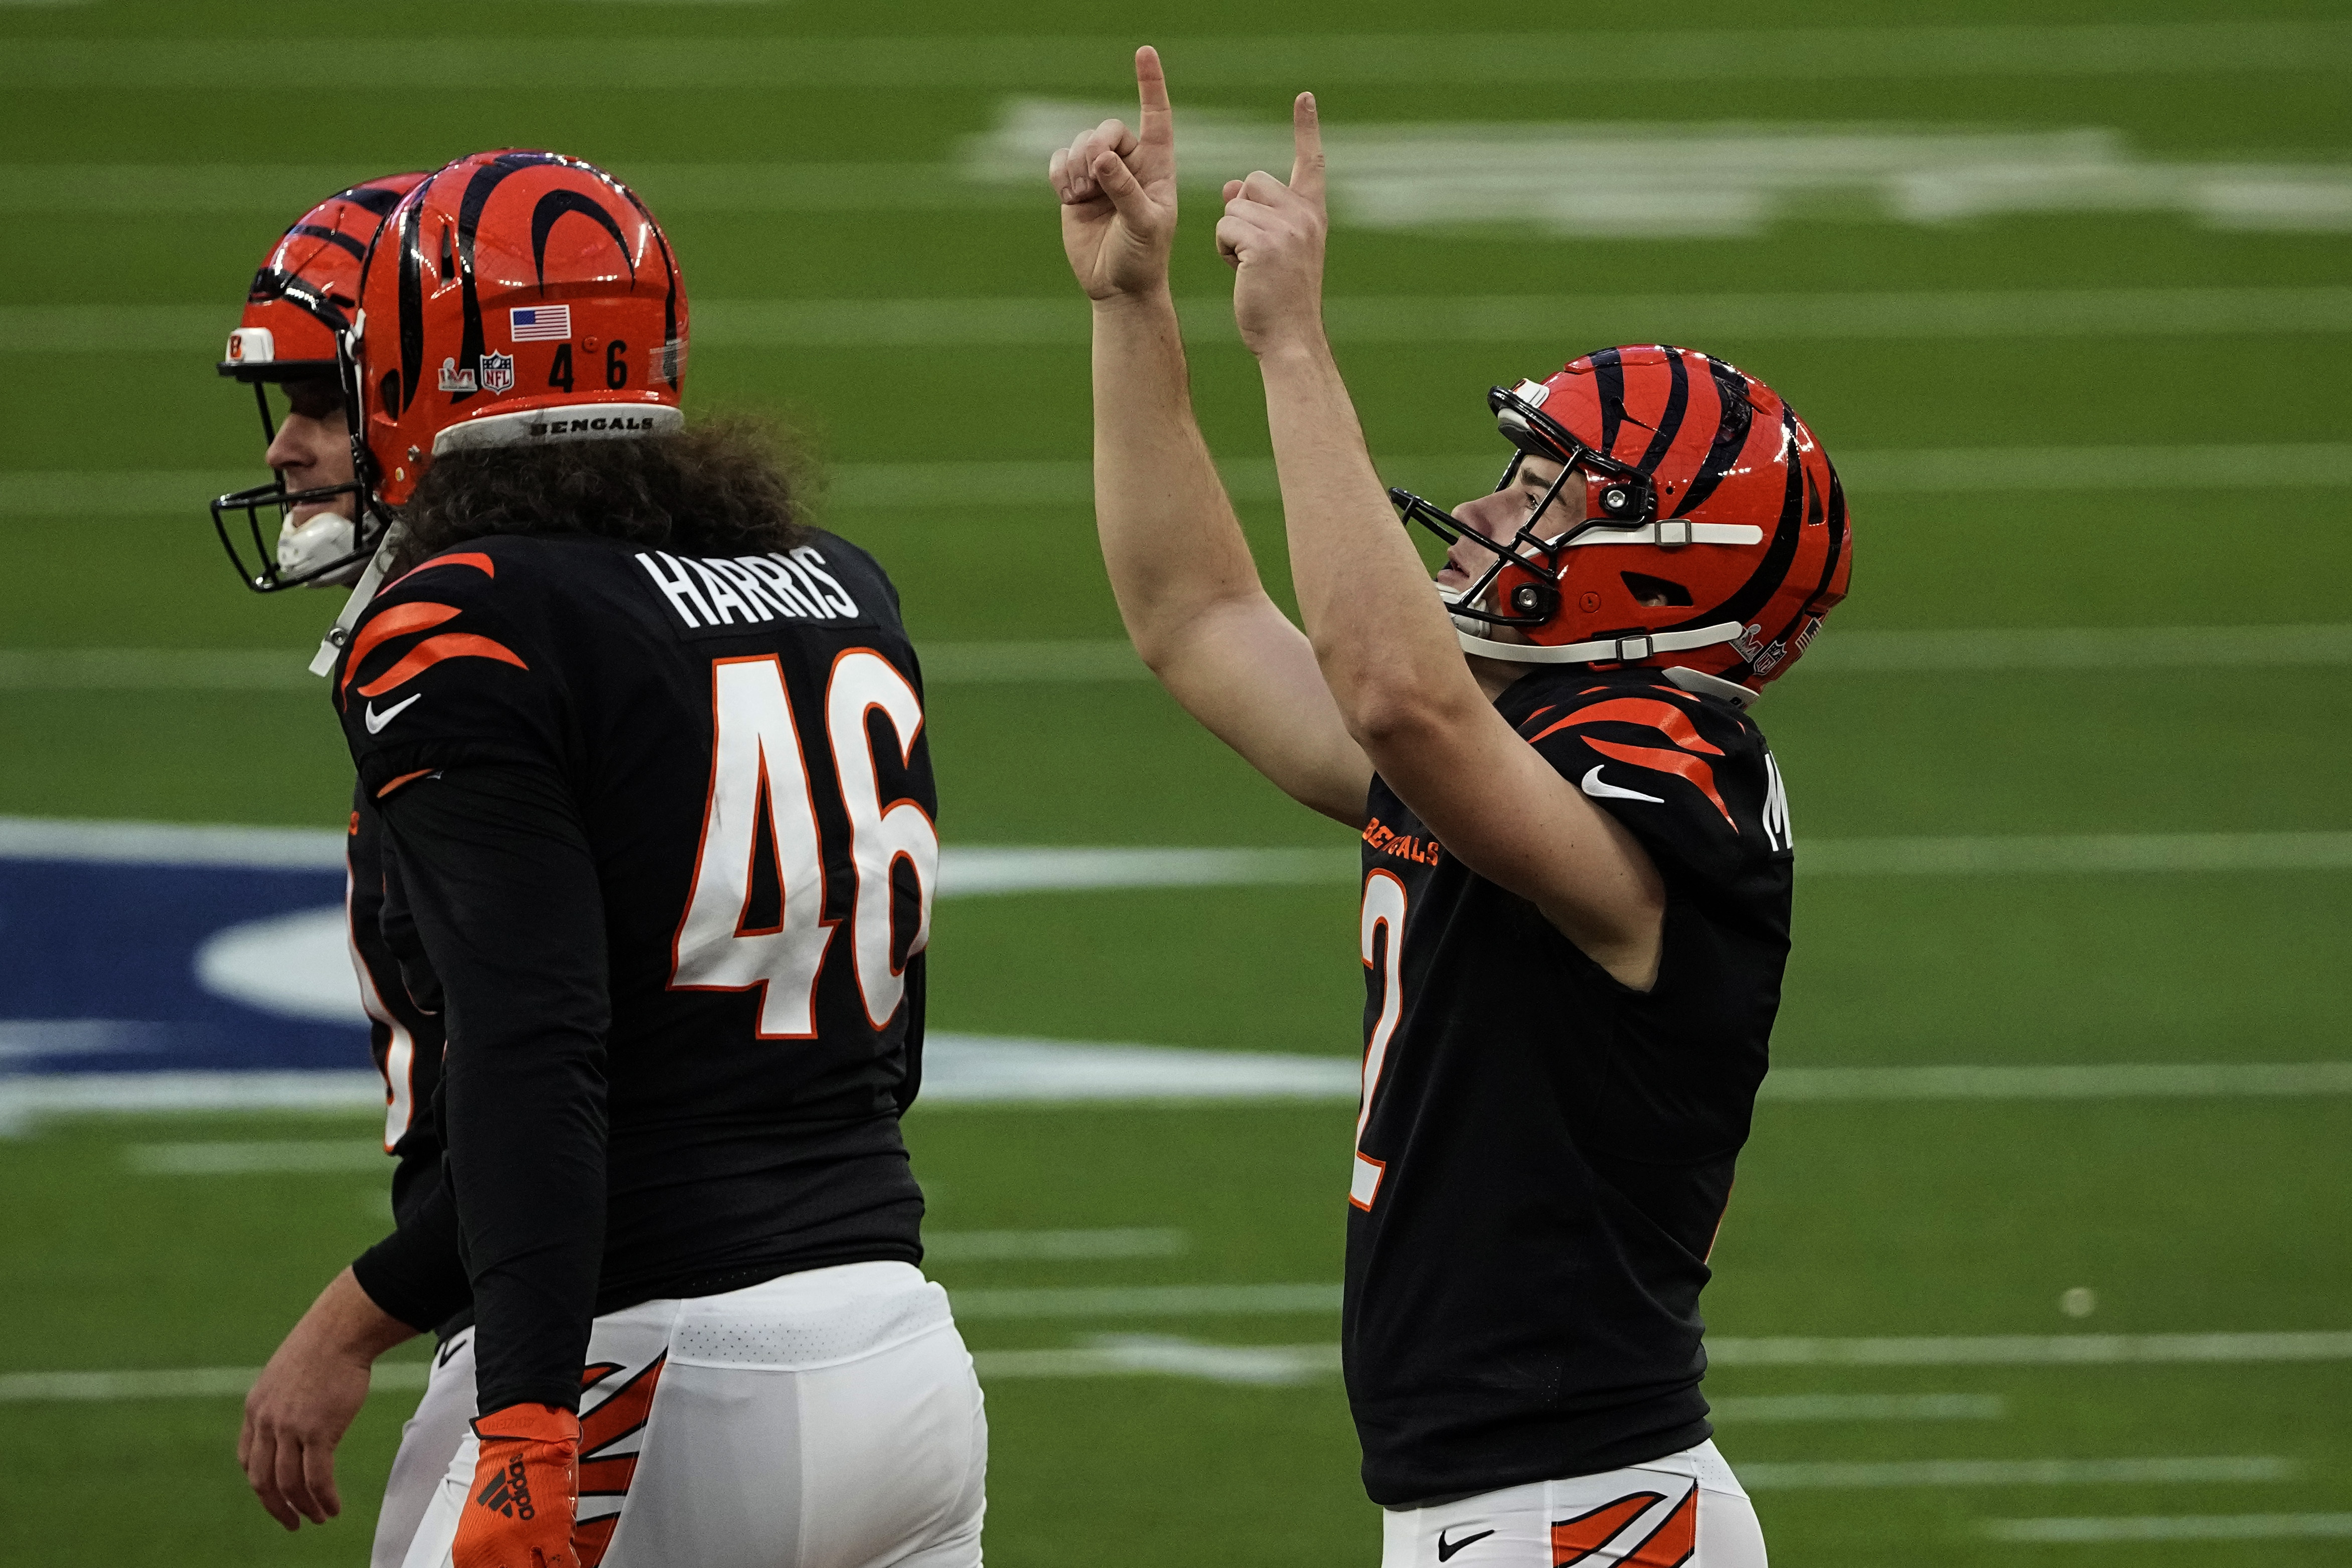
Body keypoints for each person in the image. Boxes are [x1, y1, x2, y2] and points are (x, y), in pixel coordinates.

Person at [1051, 51, 1851, 1566]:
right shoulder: (1538, 734)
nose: (1488, 509)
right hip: (1521, 1505)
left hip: (1581, 1514)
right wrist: (1130, 311)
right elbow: (1197, 617)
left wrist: (1292, 344)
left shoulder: (1674, 782)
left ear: (1665, 563)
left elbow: (1392, 696)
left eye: (1545, 485)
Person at [257, 148, 988, 1568]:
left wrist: (525, 1415)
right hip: (895, 1348)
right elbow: (871, 1040)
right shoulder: (832, 580)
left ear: (439, 383)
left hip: (638, 1372)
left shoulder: (464, 619)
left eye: (313, 400)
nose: (285, 448)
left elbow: (539, 1046)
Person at [212, 172, 494, 1568]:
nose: (285, 450)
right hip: (860, 1304)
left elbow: (565, 1073)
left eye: (324, 403)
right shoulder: (698, 602)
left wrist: (349, 1320)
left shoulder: (475, 671)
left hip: (614, 1322)